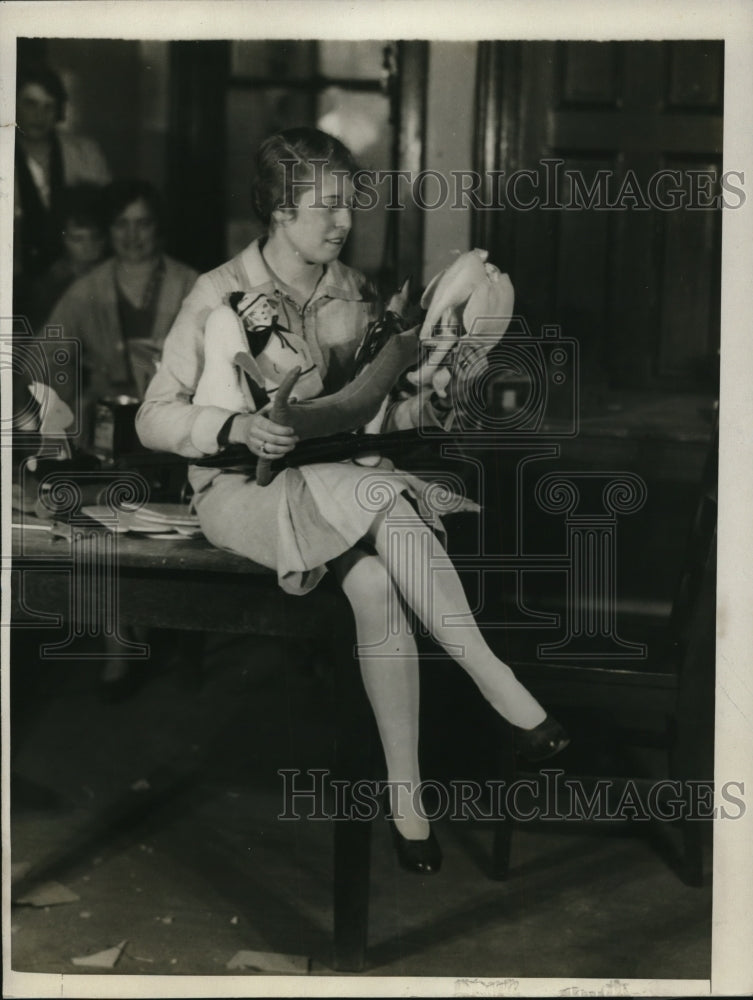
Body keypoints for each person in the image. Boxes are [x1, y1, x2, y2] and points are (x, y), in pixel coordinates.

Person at [136, 127, 568, 873]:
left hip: (330, 479)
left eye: (349, 206)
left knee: (372, 584)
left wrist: (427, 406)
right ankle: (500, 688)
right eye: (325, 207)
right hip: (239, 490)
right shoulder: (216, 292)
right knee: (374, 492)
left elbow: (367, 417)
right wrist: (232, 423)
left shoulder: (355, 292)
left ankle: (408, 804)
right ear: (277, 208)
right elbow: (153, 417)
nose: (343, 222)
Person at [45, 178, 198, 449]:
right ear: (108, 229)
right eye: (121, 224)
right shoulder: (86, 289)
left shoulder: (190, 284)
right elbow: (45, 358)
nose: (131, 236)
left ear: (158, 226)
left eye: (143, 224)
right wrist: (72, 404)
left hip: (174, 425)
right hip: (102, 430)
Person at [14, 63, 111, 309]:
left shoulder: (86, 154)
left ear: (59, 111)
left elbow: (105, 219)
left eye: (49, 107)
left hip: (79, 280)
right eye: (30, 104)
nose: (39, 115)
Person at [28, 182, 108, 331]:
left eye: (96, 237)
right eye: (77, 239)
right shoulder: (51, 285)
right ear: (63, 239)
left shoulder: (113, 274)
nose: (88, 246)